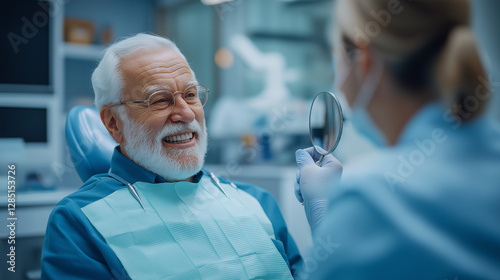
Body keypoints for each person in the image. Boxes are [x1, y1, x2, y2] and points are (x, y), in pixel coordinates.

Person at [41, 33, 301, 280]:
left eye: (190, 95)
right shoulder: (78, 222)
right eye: (160, 100)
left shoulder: (257, 202)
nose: (187, 114)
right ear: (113, 123)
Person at [294, 0, 500, 279]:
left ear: (364, 62)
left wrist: (327, 222)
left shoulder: (369, 202)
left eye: (338, 60)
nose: (338, 81)